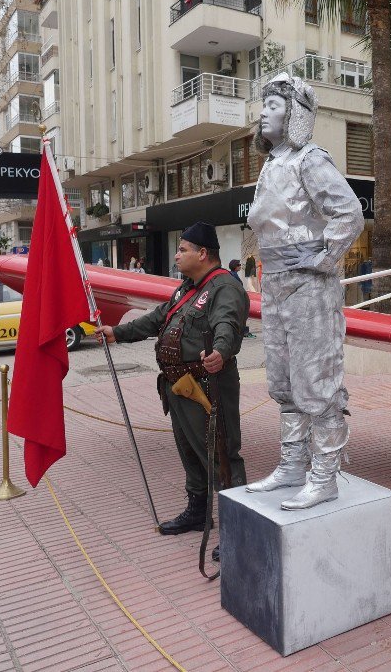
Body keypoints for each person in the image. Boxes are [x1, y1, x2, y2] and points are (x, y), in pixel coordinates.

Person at [244, 72, 365, 510]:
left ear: (295, 114)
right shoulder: (272, 164)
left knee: (316, 381)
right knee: (284, 381)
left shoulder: (310, 160)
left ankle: (325, 474)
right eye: (264, 105)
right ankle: (293, 465)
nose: (263, 112)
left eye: (273, 106)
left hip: (310, 289)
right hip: (277, 284)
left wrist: (320, 259)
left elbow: (349, 214)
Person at [98, 222, 249, 546]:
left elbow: (228, 322)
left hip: (208, 386)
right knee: (191, 454)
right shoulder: (187, 289)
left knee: (221, 456)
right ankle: (197, 512)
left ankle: (238, 531)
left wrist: (221, 351)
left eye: (183, 250)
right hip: (179, 387)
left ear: (203, 253)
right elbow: (158, 318)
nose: (177, 256)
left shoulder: (224, 287)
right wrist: (117, 332)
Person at [227, 259, 256, 338]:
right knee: (241, 315)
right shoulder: (233, 275)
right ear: (235, 266)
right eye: (238, 265)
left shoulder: (233, 274)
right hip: (237, 298)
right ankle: (243, 331)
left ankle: (242, 331)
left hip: (236, 298)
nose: (240, 266)